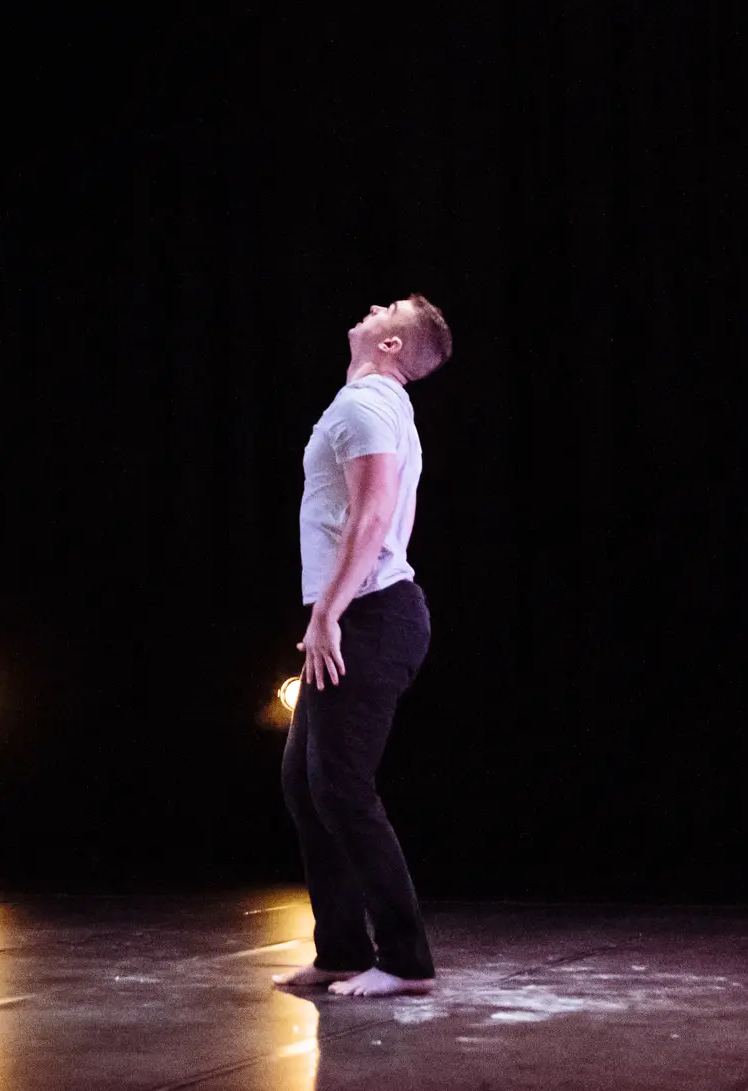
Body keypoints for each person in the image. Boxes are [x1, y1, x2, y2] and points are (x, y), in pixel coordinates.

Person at [271, 295, 453, 997]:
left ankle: (406, 959)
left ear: (392, 347)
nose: (375, 306)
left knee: (341, 786)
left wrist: (328, 613)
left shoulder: (368, 404)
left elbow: (373, 510)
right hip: (363, 612)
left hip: (370, 614)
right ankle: (342, 948)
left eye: (391, 309)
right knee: (306, 783)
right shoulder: (370, 401)